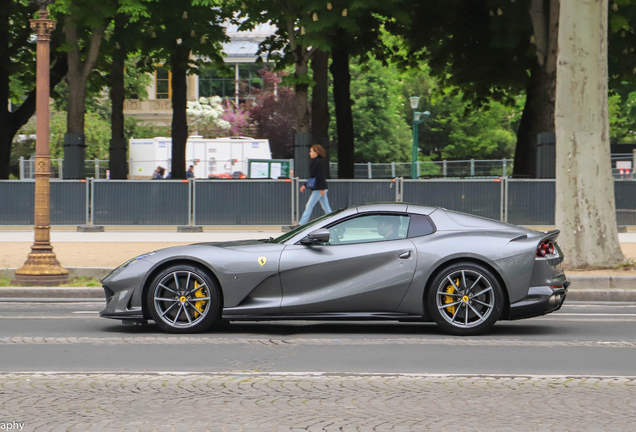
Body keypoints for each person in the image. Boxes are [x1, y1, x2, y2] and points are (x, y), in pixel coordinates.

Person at [299, 144, 332, 225]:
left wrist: (321, 188)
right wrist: (305, 185)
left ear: (316, 152)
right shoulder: (317, 161)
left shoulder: (318, 162)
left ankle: (301, 224)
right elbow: (315, 176)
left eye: (311, 151)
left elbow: (320, 176)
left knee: (309, 205)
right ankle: (333, 221)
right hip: (320, 188)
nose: (310, 153)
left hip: (319, 188)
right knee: (326, 207)